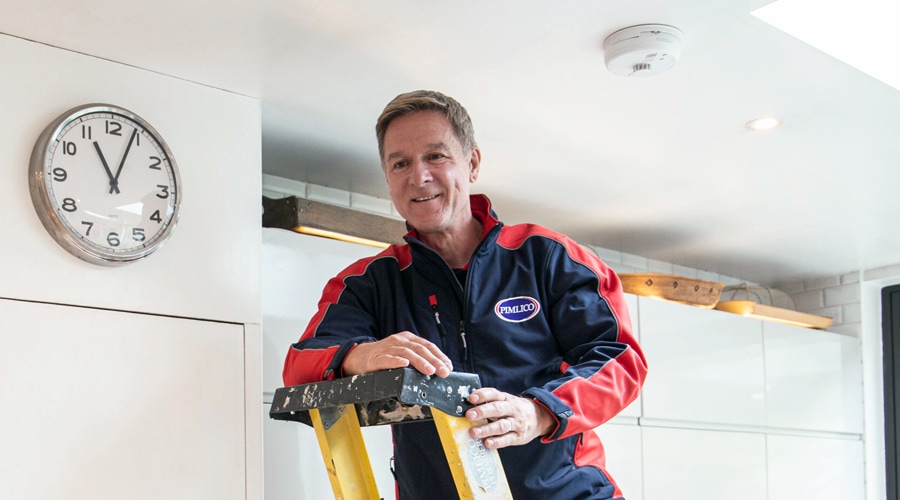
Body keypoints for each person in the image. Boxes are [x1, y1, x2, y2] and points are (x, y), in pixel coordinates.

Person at [282, 90, 647, 499]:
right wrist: (360, 356)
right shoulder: (369, 282)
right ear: (388, 178)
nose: (418, 176)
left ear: (472, 163)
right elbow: (299, 366)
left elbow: (620, 359)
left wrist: (538, 412)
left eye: (436, 156)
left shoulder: (550, 257)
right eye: (400, 163)